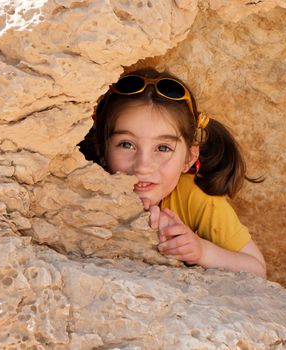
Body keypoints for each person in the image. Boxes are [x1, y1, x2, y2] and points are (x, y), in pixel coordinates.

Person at [81, 68, 266, 278]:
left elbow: (257, 270)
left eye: (163, 148)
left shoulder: (196, 198)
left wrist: (201, 251)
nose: (143, 166)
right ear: (102, 150)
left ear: (189, 158)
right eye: (126, 144)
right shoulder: (83, 190)